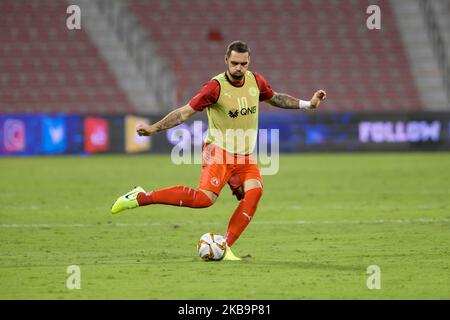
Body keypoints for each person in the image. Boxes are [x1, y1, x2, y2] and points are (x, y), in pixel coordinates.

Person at [111, 40, 326, 261]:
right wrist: (154, 128)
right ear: (226, 60)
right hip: (219, 151)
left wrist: (307, 104)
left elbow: (275, 98)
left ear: (249, 61)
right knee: (204, 199)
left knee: (254, 192)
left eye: (243, 63)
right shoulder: (215, 87)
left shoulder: (256, 81)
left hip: (244, 155)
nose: (238, 68)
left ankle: (225, 246)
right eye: (234, 63)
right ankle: (141, 196)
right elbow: (184, 113)